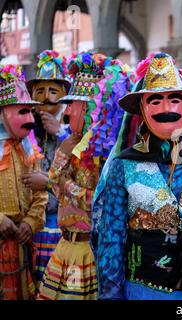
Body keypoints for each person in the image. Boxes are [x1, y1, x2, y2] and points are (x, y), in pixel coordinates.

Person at [97, 52, 182, 300]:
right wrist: (111, 295)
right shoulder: (124, 164)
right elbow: (111, 238)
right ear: (143, 110)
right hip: (143, 292)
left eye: (175, 99)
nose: (166, 108)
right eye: (155, 101)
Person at [37, 52, 131, 300]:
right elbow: (53, 185)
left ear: (90, 109)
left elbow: (99, 202)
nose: (67, 113)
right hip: (65, 246)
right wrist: (62, 154)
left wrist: (66, 184)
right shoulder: (72, 143)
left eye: (73, 105)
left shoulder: (106, 153)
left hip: (88, 250)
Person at [0, 64, 48, 300]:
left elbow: (40, 194)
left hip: (22, 244)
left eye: (30, 111)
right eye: (21, 112)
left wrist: (29, 222)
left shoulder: (28, 150)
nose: (30, 119)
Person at [25, 50, 71, 284]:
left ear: (64, 95)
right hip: (28, 224)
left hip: (60, 222)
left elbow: (81, 166)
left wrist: (60, 133)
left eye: (53, 91)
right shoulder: (24, 126)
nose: (46, 96)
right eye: (40, 90)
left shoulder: (72, 127)